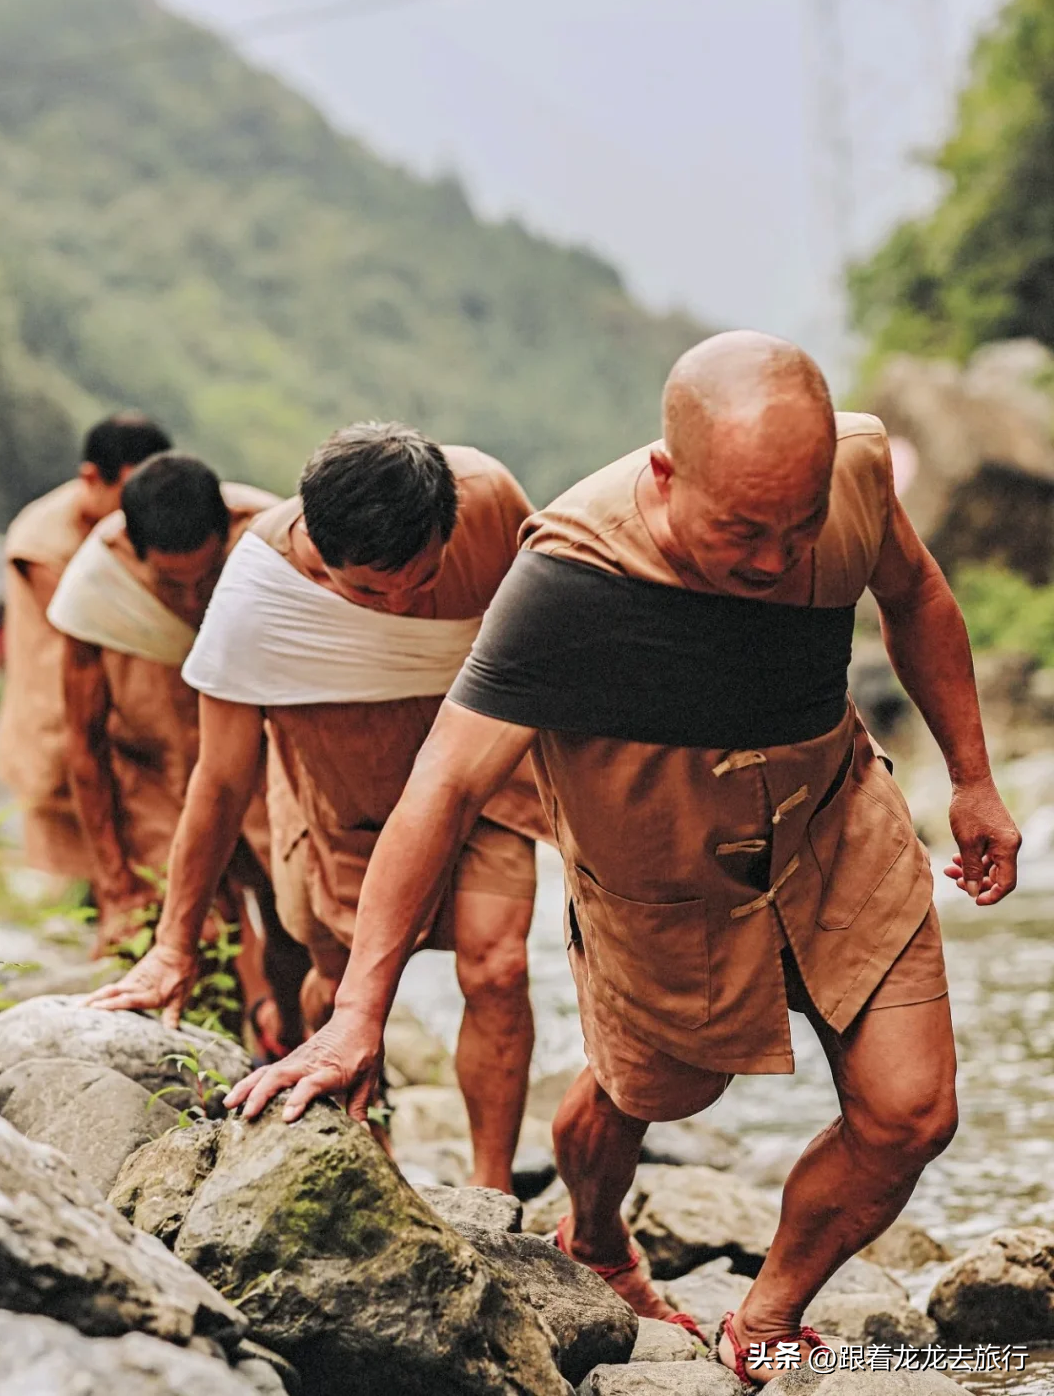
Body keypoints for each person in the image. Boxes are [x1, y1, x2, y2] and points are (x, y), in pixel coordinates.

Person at [223, 334, 1021, 1384]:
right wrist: (359, 1011)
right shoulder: (567, 578)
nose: (776, 559)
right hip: (662, 870)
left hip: (836, 824)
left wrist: (970, 776)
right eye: (740, 528)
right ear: (664, 473)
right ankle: (593, 1233)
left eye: (797, 524)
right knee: (654, 1091)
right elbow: (445, 786)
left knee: (913, 1111)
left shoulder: (859, 467)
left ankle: (766, 1312)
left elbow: (913, 593)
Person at [87, 422, 550, 1193]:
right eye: (368, 591)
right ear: (312, 538)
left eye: (422, 580)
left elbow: (556, 622)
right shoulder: (254, 595)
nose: (399, 604)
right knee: (341, 989)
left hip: (480, 776)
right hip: (345, 796)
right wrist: (174, 942)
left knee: (498, 966)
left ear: (449, 523)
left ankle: (491, 1191)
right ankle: (365, 1147)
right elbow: (222, 780)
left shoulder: (492, 500)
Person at [50, 453, 303, 1053]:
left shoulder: (276, 543)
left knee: (300, 922)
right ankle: (210, 1092)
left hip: (268, 770)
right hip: (160, 778)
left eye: (206, 578)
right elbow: (83, 743)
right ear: (135, 554)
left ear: (226, 537)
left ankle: (296, 1042)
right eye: (172, 586)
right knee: (190, 936)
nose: (193, 603)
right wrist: (112, 882)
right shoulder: (98, 585)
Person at [0, 414, 172, 879]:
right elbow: (93, 629)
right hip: (61, 740)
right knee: (83, 886)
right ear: (92, 479)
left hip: (137, 745)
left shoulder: (146, 525)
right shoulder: (43, 540)